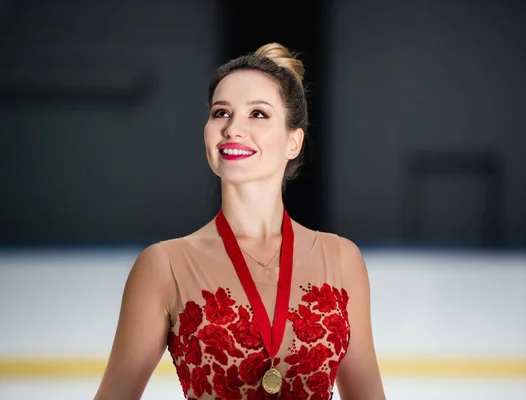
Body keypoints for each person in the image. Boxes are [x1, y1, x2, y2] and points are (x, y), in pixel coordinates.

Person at [94, 43, 386, 400]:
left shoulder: (342, 259)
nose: (232, 128)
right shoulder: (162, 266)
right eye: (221, 112)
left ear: (293, 142)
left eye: (258, 114)